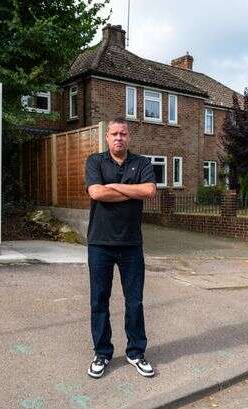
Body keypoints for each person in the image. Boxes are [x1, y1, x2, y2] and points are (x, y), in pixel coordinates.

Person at [84, 117, 157, 378]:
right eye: (114, 133)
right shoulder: (95, 161)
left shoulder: (142, 163)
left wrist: (113, 186)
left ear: (129, 136)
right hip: (100, 244)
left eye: (123, 134)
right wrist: (130, 191)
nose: (118, 138)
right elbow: (96, 193)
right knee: (99, 301)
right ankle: (102, 353)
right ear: (107, 137)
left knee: (134, 302)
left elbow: (149, 191)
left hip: (131, 245)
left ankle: (136, 352)